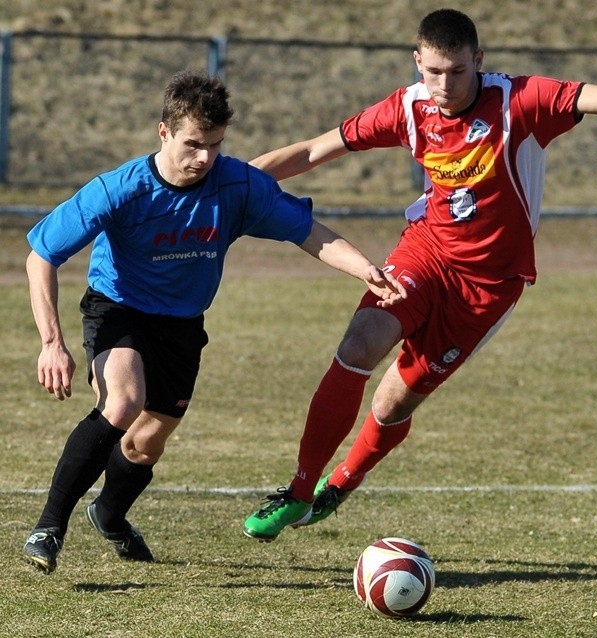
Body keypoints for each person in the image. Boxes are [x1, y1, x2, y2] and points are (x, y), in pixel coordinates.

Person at [241, 8, 597, 542]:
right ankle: (299, 494)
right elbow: (311, 150)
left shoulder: (520, 101)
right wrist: (231, 177)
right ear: (417, 62)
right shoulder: (408, 107)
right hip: (425, 252)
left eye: (457, 72)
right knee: (360, 344)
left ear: (478, 62)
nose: (442, 85)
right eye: (432, 71)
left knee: (395, 400)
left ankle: (340, 486)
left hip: (488, 286)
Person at [22, 70, 406, 574]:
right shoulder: (120, 189)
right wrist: (51, 341)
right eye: (194, 144)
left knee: (146, 441)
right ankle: (48, 528)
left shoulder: (237, 185)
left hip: (183, 324)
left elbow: (309, 232)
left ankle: (110, 514)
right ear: (165, 133)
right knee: (123, 402)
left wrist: (365, 268)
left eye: (216, 145)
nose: (204, 158)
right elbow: (41, 255)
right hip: (119, 308)